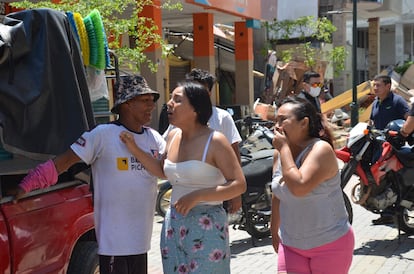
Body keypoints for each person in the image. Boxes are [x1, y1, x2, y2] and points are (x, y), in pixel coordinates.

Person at [14, 75, 166, 274]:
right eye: (145, 100)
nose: (152, 105)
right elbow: (63, 163)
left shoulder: (154, 138)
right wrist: (27, 184)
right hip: (114, 244)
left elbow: (169, 168)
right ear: (127, 103)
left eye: (152, 100)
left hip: (141, 241)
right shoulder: (102, 135)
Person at [120, 80, 246, 273]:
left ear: (195, 109)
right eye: (171, 98)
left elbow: (238, 185)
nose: (169, 103)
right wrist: (134, 149)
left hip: (208, 224)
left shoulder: (216, 141)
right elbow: (162, 171)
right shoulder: (172, 136)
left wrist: (197, 196)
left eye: (177, 100)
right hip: (174, 223)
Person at [270, 96, 354, 274]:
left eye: (283, 120)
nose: (277, 126)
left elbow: (299, 187)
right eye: (275, 120)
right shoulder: (279, 154)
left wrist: (284, 149)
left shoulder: (320, 150)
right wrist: (274, 231)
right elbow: (278, 195)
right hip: (291, 245)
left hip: (330, 244)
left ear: (304, 123)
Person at [162, 68, 243, 213]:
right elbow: (162, 163)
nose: (170, 104)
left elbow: (234, 155)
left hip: (210, 211)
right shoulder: (175, 130)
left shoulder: (221, 120)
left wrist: (235, 195)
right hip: (176, 219)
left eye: (178, 99)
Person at [369, 74, 410, 225]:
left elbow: (408, 119)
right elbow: (372, 121)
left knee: (393, 178)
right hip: (378, 146)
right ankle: (384, 210)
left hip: (394, 148)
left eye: (378, 85)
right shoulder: (375, 102)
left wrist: (402, 134)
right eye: (374, 85)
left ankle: (392, 211)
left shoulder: (397, 101)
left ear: (388, 86)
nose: (375, 88)